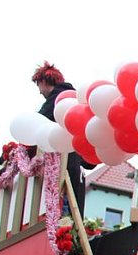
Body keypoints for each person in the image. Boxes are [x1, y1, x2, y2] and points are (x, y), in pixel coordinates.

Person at [32, 61, 94, 214]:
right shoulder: (75, 100)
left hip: (61, 167)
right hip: (75, 167)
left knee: (62, 209)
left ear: (44, 81)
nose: (39, 91)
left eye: (38, 85)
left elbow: (36, 126)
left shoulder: (55, 101)